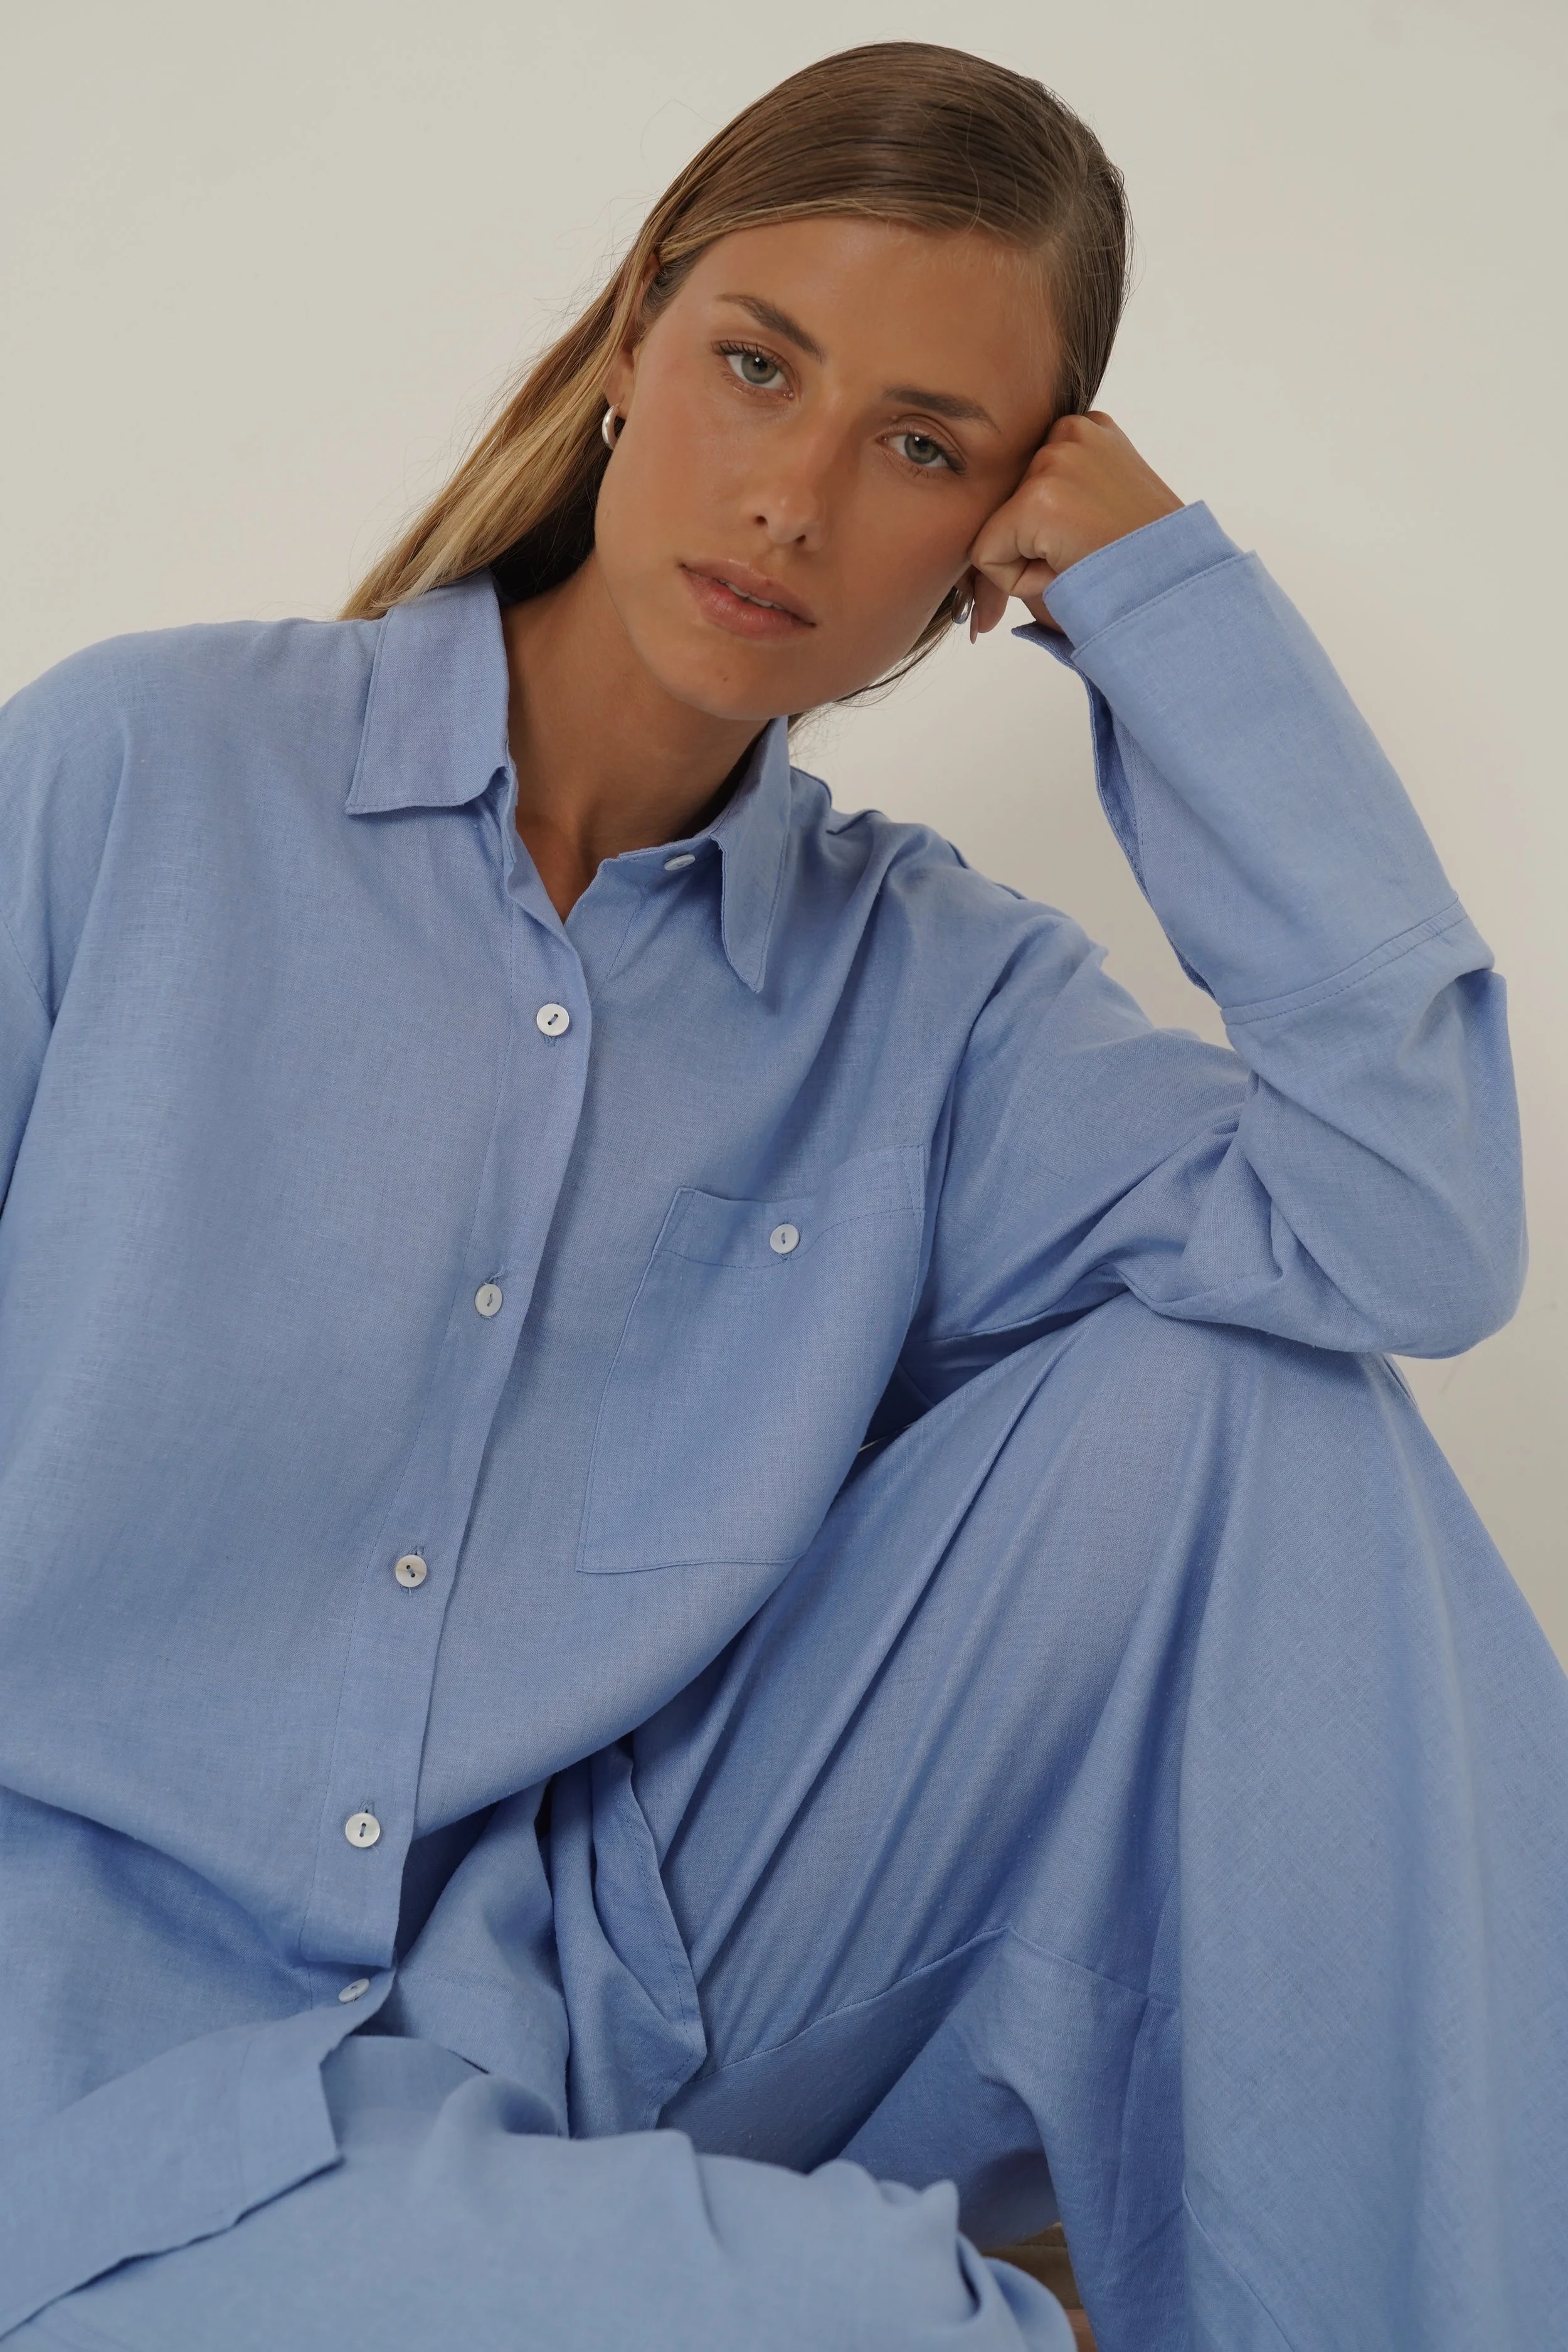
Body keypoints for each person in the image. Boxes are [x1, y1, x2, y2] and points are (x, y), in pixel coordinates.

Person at [0, 38, 1562, 2352]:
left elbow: (1402, 1229)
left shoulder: (929, 996)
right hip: (83, 2046)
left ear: (982, 551)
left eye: (919, 448)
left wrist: (1170, 613)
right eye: (759, 367)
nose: (796, 500)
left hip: (595, 1996)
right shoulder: (143, 775)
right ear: (632, 346)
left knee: (1260, 1419)